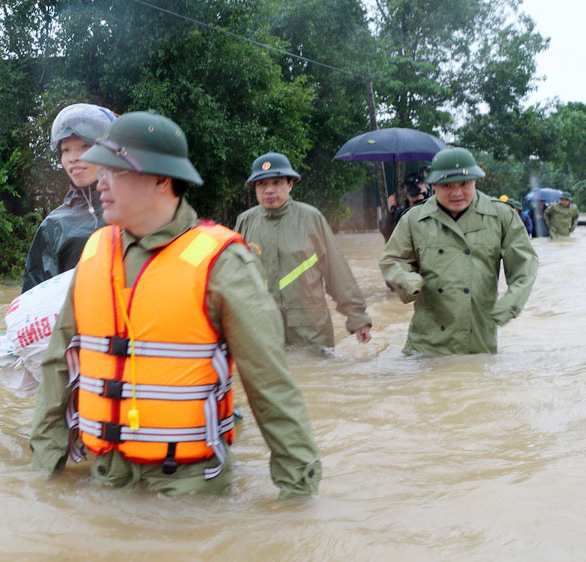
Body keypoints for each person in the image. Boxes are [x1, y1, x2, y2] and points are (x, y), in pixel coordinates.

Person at [30, 112, 321, 500]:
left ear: (161, 180)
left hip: (186, 489)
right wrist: (44, 476)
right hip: (107, 479)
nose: (100, 182)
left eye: (115, 171)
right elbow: (57, 364)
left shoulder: (222, 263)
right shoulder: (96, 252)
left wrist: (298, 499)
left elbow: (271, 387)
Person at [378, 147, 538, 355]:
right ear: (433, 185)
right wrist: (408, 283)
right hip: (426, 343)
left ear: (474, 181)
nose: (456, 193)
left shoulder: (500, 216)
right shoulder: (414, 219)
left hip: (477, 341)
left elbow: (525, 263)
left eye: (464, 184)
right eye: (446, 185)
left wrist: (511, 303)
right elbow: (392, 259)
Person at [234, 152, 372, 351]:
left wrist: (357, 317)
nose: (269, 190)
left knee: (314, 379)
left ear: (290, 184)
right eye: (262, 184)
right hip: (261, 328)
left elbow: (336, 270)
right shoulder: (245, 222)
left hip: (310, 330)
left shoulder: (310, 218)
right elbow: (233, 277)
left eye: (276, 182)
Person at [21, 103, 117, 292]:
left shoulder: (138, 209)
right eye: (66, 150)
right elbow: (34, 302)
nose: (73, 157)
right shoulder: (53, 226)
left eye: (84, 146)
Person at [379, 172, 430, 242]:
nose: (413, 190)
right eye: (409, 187)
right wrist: (390, 213)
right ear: (405, 190)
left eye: (416, 187)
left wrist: (423, 198)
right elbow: (386, 233)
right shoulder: (401, 213)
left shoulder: (430, 210)